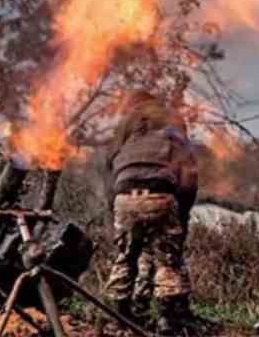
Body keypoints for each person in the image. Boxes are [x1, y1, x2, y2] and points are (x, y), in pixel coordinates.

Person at [104, 91, 199, 335]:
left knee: (125, 257)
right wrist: (183, 212)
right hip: (160, 193)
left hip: (124, 195)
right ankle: (168, 322)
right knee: (167, 260)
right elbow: (189, 170)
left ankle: (118, 319)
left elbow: (110, 163)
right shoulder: (173, 121)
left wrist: (114, 204)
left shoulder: (127, 124)